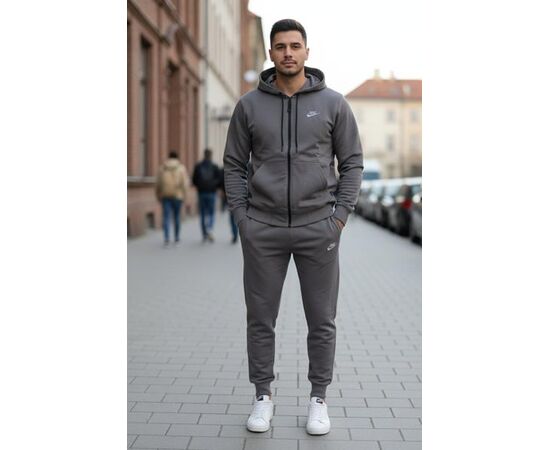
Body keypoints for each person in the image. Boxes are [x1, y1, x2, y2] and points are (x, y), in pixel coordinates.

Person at [223, 19, 363, 435]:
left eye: (295, 46)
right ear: (270, 53)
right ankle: (262, 396)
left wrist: (339, 217)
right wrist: (243, 218)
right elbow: (234, 165)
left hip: (318, 227)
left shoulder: (334, 104)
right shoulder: (249, 106)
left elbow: (352, 162)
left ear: (306, 52)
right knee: (260, 318)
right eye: (281, 46)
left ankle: (318, 399)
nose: (288, 53)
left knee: (322, 320)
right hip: (262, 228)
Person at [155, 151, 190, 247]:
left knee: (166, 217)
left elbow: (158, 183)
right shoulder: (181, 168)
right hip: (178, 196)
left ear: (169, 157)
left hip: (165, 195)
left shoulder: (162, 168)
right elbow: (185, 184)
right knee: (177, 216)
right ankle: (177, 238)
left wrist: (158, 195)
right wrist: (185, 195)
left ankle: (166, 239)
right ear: (177, 158)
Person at [192, 149, 221, 243]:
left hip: (201, 193)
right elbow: (219, 179)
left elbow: (194, 180)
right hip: (212, 192)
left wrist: (199, 186)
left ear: (204, 155)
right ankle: (210, 229)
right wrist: (215, 187)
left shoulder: (198, 166)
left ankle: (204, 234)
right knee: (211, 213)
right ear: (211, 155)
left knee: (203, 213)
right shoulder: (215, 166)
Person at [219, 167, 239, 244]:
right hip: (238, 196)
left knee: (232, 216)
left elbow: (221, 182)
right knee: (235, 215)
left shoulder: (225, 169)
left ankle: (235, 234)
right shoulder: (239, 167)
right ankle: (235, 233)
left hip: (229, 195)